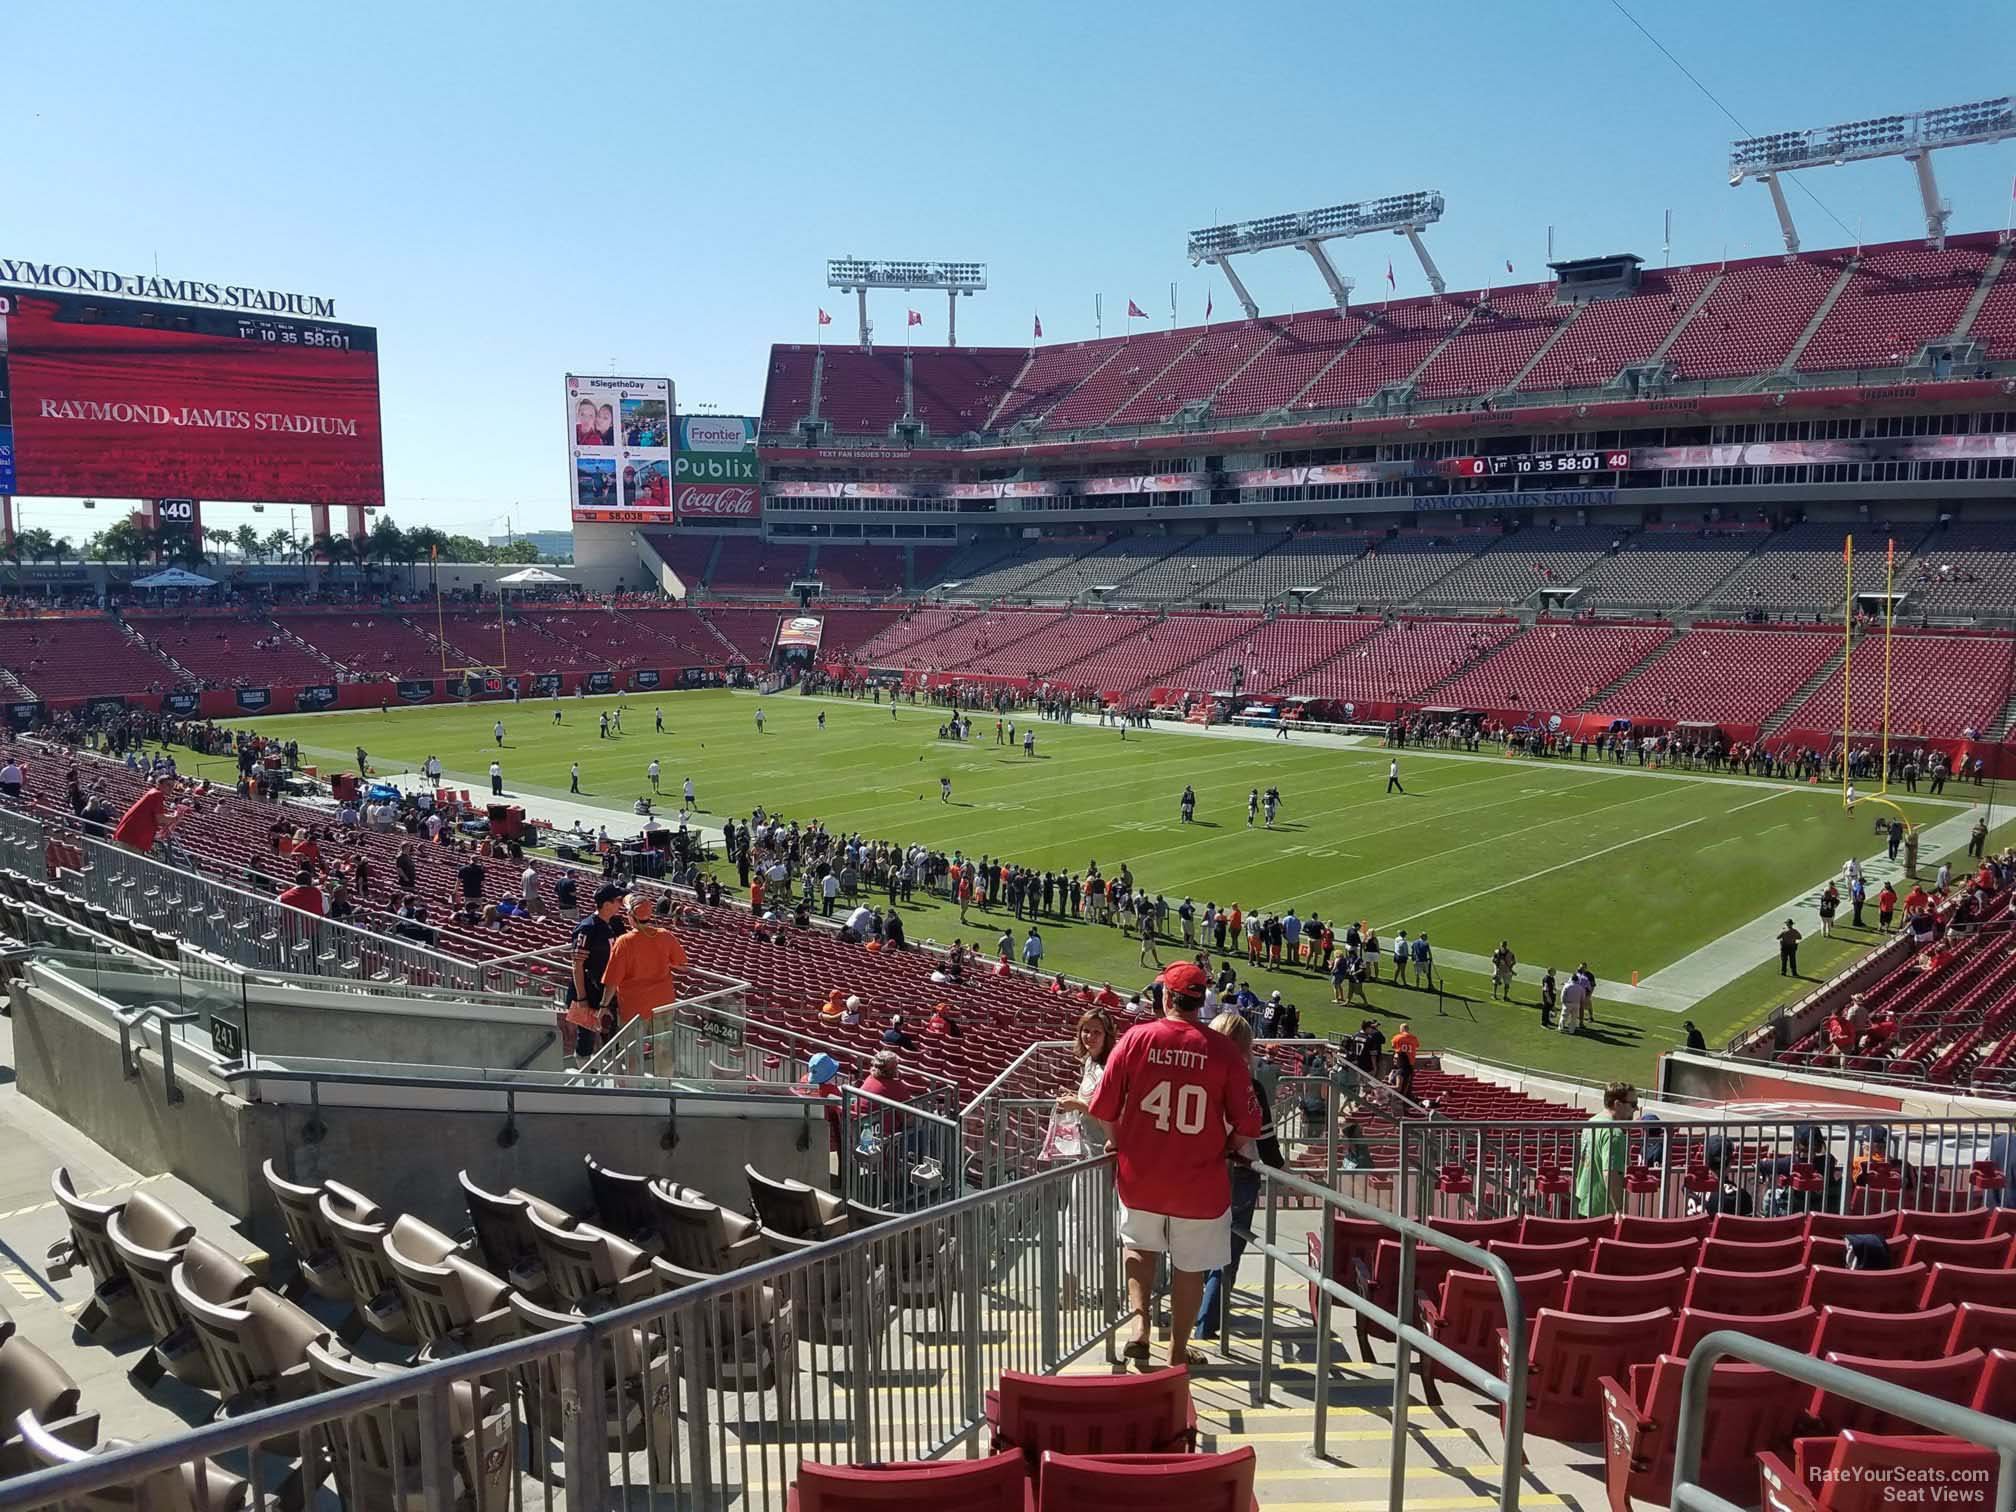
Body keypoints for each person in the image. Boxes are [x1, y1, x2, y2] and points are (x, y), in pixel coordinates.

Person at [1087, 961, 1263, 1370]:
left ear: (1166, 996)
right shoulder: (1223, 1052)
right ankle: (1177, 1352)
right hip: (1200, 1181)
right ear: (1201, 1001)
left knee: (1139, 1247)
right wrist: (1227, 1147)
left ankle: (1141, 1327)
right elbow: (1248, 1123)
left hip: (1141, 1175)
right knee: (1190, 1268)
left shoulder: (1136, 1039)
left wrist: (1119, 1141)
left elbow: (1102, 1106)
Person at [1195, 1010, 1283, 1341]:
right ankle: (1207, 1322)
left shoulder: (1197, 1079)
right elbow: (1268, 1147)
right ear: (1245, 1047)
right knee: (1226, 1252)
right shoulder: (1251, 1086)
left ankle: (1203, 1313)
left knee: (1201, 1247)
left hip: (1200, 1173)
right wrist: (1295, 1177)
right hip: (1239, 1175)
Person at [599, 893, 689, 1031]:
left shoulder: (624, 942)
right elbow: (682, 964)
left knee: (632, 1049)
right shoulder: (665, 935)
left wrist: (603, 1006)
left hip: (634, 1007)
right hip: (662, 1004)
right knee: (663, 1050)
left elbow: (612, 980)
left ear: (630, 916)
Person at [567, 884, 626, 1059]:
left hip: (608, 991)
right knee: (585, 1038)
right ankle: (586, 1079)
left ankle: (613, 1080)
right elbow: (577, 966)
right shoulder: (587, 928)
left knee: (612, 1038)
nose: (620, 904)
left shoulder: (615, 924)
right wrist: (582, 998)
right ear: (607, 904)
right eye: (617, 901)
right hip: (589, 992)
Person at [1573, 1081, 1638, 1218]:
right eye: (1632, 1104)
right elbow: (1610, 1173)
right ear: (1617, 1104)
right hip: (1601, 1210)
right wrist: (1619, 1209)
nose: (1636, 1109)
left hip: (1583, 1203)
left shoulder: (1591, 1122)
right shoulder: (1614, 1133)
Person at [111, 774, 183, 855]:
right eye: (168, 785)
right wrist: (176, 818)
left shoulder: (153, 793)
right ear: (159, 784)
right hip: (132, 839)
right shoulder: (157, 794)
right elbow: (160, 819)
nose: (171, 788)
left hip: (129, 837)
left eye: (172, 786)